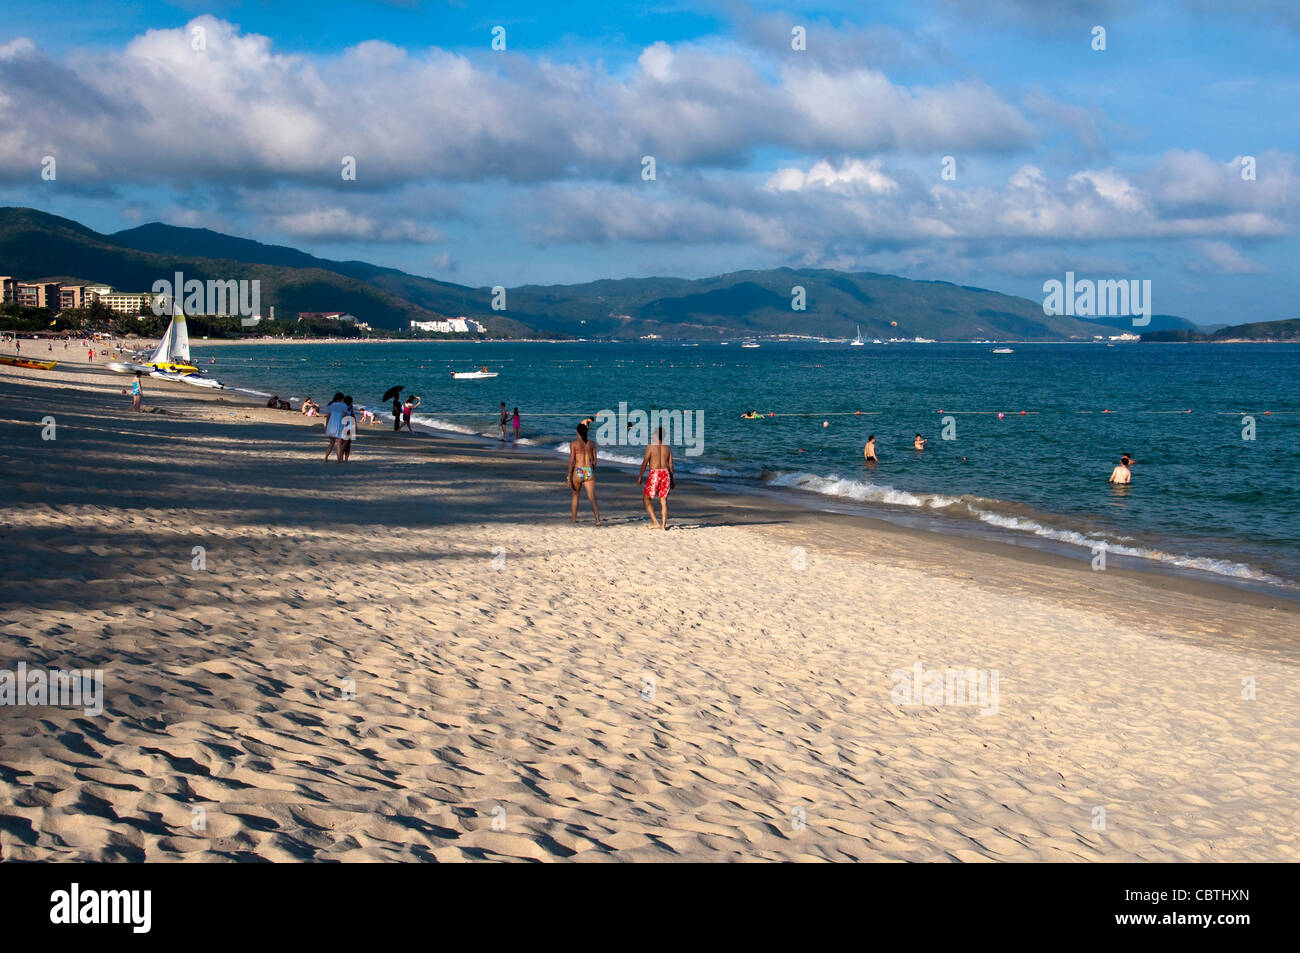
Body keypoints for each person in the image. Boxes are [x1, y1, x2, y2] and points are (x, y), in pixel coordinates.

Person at [638, 426, 676, 530]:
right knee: (663, 501)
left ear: (655, 436)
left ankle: (655, 522)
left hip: (655, 474)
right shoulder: (667, 448)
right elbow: (671, 465)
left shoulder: (650, 446)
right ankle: (663, 526)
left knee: (646, 499)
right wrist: (672, 479)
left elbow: (645, 462)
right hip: (665, 473)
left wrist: (640, 475)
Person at [567, 422, 601, 525]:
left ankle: (573, 519)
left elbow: (572, 461)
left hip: (578, 471)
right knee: (591, 497)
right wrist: (592, 469)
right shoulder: (591, 444)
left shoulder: (573, 444)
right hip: (588, 471)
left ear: (577, 433)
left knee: (575, 496)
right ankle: (597, 520)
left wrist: (569, 476)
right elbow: (595, 461)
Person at [323, 392, 348, 461]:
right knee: (339, 443)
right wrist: (346, 425)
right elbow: (345, 416)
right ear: (341, 398)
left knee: (331, 443)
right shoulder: (344, 405)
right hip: (339, 425)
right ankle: (338, 459)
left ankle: (326, 457)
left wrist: (326, 425)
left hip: (331, 424)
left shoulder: (331, 405)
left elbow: (328, 416)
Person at [339, 396, 357, 463]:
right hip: (344, 426)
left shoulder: (351, 406)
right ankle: (341, 456)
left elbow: (353, 415)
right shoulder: (343, 407)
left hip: (350, 426)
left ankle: (346, 459)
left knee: (348, 443)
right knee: (345, 442)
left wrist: (355, 425)